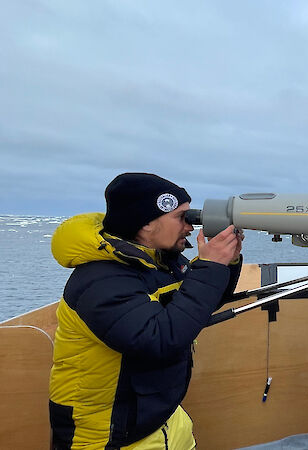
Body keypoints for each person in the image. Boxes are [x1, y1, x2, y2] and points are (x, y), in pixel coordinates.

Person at [48, 173, 244, 449]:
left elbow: (198, 305)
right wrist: (210, 267)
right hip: (108, 435)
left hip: (162, 418)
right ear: (146, 224)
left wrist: (227, 261)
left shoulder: (160, 263)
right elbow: (159, 339)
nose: (190, 226)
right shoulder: (100, 280)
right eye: (182, 217)